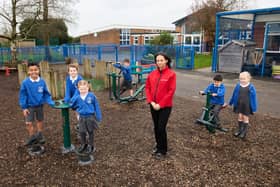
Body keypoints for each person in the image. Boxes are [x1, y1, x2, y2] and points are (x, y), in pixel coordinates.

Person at [145, 52, 176, 159]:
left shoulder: (171, 74)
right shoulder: (152, 74)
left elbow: (171, 92)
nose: (159, 62)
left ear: (166, 60)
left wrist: (160, 104)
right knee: (156, 127)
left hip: (165, 106)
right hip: (153, 105)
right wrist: (151, 102)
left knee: (161, 127)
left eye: (161, 60)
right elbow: (147, 88)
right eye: (157, 60)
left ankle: (163, 150)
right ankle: (158, 146)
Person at [19, 63, 55, 146]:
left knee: (40, 120)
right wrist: (24, 107)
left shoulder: (42, 82)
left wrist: (51, 102)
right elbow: (23, 95)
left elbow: (46, 94)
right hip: (29, 106)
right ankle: (32, 137)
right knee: (28, 122)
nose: (33, 72)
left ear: (39, 70)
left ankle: (40, 134)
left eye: (35, 70)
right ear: (28, 72)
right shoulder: (25, 83)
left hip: (39, 105)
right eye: (31, 70)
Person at [70, 80, 102, 154]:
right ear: (78, 89)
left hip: (90, 117)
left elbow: (96, 106)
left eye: (85, 89)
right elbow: (73, 105)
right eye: (81, 89)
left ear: (88, 88)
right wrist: (74, 107)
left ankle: (91, 145)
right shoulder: (77, 98)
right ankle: (83, 144)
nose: (83, 90)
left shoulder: (92, 96)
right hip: (82, 117)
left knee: (90, 131)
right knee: (82, 131)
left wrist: (99, 116)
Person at [229, 71, 258, 139]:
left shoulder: (251, 87)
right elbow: (234, 94)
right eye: (241, 79)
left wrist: (254, 108)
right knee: (240, 116)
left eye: (244, 79)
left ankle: (244, 132)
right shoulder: (238, 86)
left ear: (249, 79)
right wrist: (231, 102)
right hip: (239, 104)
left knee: (245, 118)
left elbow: (254, 98)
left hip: (246, 106)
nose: (242, 80)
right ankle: (240, 130)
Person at [64, 63, 83, 130]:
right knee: (76, 111)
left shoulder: (79, 78)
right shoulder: (68, 79)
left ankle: (83, 124)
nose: (73, 72)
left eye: (74, 70)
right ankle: (80, 123)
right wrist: (67, 98)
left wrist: (73, 99)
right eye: (71, 71)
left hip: (80, 97)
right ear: (68, 72)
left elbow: (78, 90)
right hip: (73, 98)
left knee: (80, 110)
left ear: (77, 71)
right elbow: (68, 89)